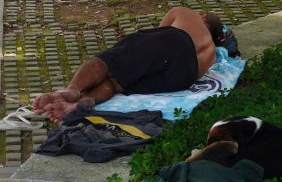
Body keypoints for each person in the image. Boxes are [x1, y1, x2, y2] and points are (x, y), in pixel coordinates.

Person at [33, 7, 225, 122]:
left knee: (108, 63)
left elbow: (160, 32)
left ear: (203, 17)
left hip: (173, 42)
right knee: (115, 84)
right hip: (185, 76)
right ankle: (77, 105)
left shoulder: (189, 15)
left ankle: (73, 90)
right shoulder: (212, 55)